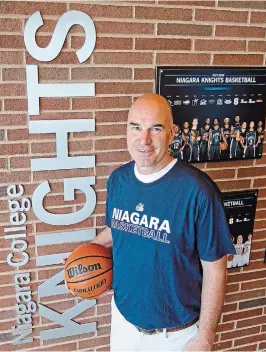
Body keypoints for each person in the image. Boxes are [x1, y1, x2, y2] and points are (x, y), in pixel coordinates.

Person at [69, 94, 235, 351]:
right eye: (135, 127)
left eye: (155, 128)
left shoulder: (198, 191)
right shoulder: (118, 181)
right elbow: (118, 227)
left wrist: (205, 337)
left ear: (172, 132)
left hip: (175, 336)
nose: (143, 139)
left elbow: (216, 269)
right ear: (126, 130)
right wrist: (84, 252)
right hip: (124, 323)